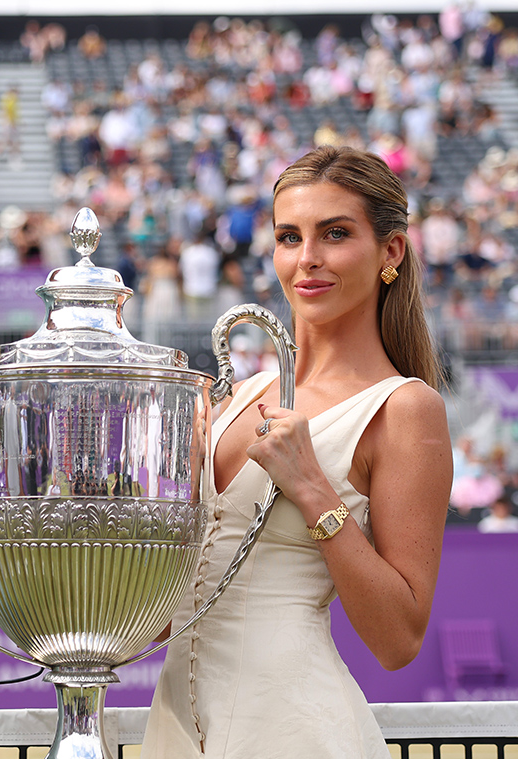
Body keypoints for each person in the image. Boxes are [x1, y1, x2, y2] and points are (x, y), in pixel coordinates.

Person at [142, 146, 451, 758]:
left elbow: (398, 640)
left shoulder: (404, 409)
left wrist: (311, 488)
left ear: (391, 252)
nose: (307, 259)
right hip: (174, 732)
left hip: (297, 735)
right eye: (289, 236)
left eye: (335, 234)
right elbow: (170, 601)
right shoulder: (239, 394)